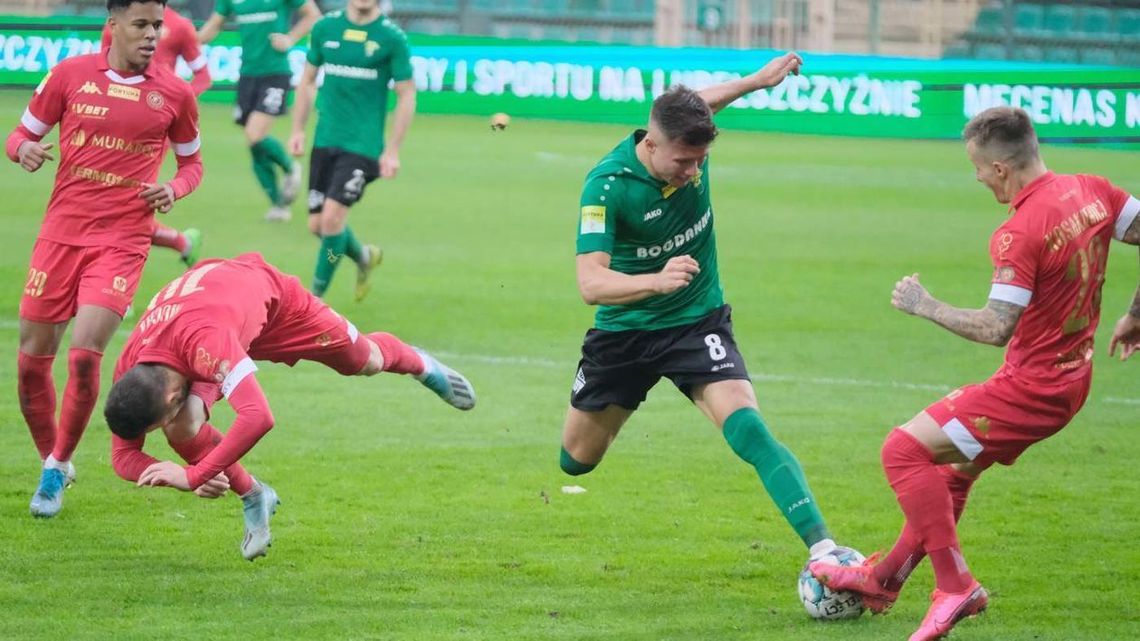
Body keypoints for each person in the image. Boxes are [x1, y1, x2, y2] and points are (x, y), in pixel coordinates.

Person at [808, 106, 1140, 641]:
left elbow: (993, 327)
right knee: (950, 474)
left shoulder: (1019, 231)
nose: (979, 178)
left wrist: (925, 304)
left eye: (979, 169)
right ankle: (883, 578)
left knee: (902, 450)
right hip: (1072, 379)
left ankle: (955, 586)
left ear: (1002, 169)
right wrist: (1136, 314)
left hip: (1031, 390)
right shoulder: (1092, 189)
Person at [560, 55, 844, 564]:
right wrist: (656, 280)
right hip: (625, 332)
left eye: (700, 160)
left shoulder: (683, 134)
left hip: (696, 320)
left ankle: (825, 549)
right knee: (575, 462)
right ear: (650, 143)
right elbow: (590, 282)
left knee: (750, 427)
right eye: (682, 161)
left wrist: (757, 82)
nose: (693, 172)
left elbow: (700, 103)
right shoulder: (605, 188)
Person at [103, 252, 475, 560]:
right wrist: (168, 473)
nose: (157, 431)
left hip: (278, 308)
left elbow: (258, 417)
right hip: (213, 319)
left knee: (366, 361)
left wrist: (195, 475)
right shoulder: (134, 366)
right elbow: (122, 456)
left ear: (170, 398)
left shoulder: (207, 346)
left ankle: (420, 363)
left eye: (155, 423)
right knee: (182, 426)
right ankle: (254, 496)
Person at [5, 0, 203, 518]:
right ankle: (52, 456)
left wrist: (174, 189)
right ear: (112, 26)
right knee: (30, 365)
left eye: (157, 25)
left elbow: (193, 163)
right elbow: (21, 135)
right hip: (60, 235)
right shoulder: (69, 76)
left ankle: (55, 468)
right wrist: (22, 151)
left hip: (123, 240)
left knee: (84, 356)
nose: (152, 35)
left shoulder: (175, 95)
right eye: (141, 25)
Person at [288, 0, 415, 300]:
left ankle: (313, 301)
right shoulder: (325, 28)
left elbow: (407, 93)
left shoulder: (392, 38)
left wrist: (393, 150)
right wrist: (297, 130)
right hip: (325, 140)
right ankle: (363, 257)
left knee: (332, 220)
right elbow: (307, 80)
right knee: (318, 226)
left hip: (364, 147)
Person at [102, 3, 209, 267]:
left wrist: (173, 109)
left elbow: (203, 76)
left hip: (154, 129)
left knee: (124, 206)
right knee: (110, 204)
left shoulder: (181, 26)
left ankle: (113, 293)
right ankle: (181, 242)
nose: (150, 33)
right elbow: (104, 73)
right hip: (114, 123)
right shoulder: (116, 23)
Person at [198, 0, 320, 222]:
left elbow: (313, 14)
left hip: (275, 73)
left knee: (255, 134)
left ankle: (290, 167)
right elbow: (214, 25)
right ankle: (278, 204)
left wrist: (290, 39)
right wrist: (187, 41)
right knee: (253, 143)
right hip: (247, 75)